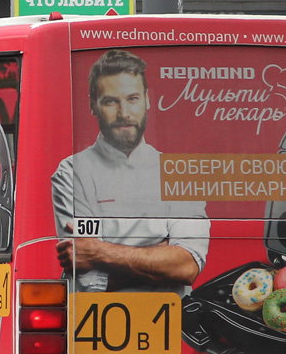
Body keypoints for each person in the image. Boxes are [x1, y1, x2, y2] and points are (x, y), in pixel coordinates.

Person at [51, 49, 209, 295]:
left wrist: (100, 252)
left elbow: (186, 267)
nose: (124, 113)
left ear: (147, 100)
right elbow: (87, 281)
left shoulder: (178, 172)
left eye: (132, 99)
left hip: (173, 325)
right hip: (92, 321)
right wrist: (161, 257)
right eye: (111, 101)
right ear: (93, 105)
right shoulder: (72, 172)